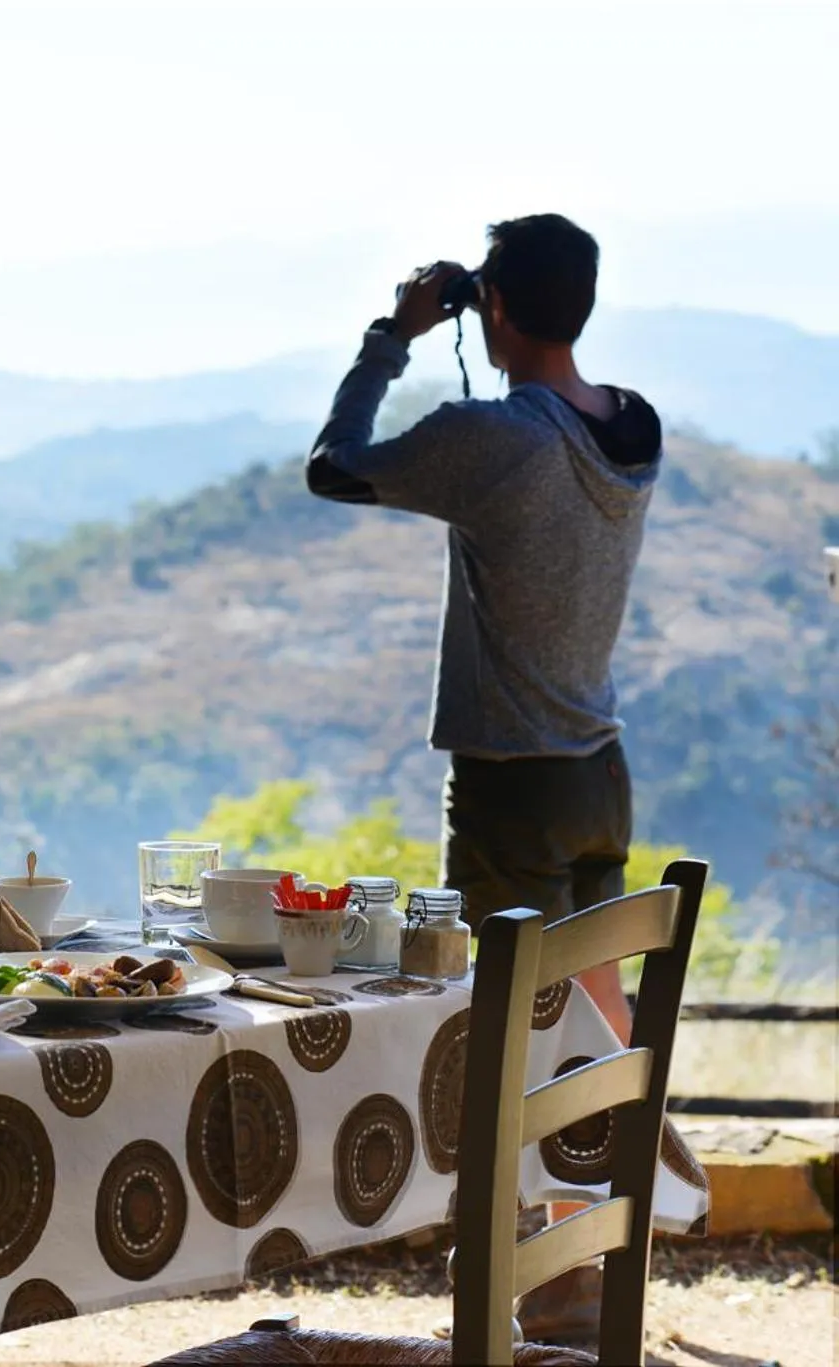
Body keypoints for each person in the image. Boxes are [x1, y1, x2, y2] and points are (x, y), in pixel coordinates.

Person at [307, 215, 661, 1344]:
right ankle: (582, 1251)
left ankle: (518, 1263)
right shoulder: (635, 429)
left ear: (494, 309)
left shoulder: (487, 436)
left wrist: (394, 332)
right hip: (596, 768)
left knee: (504, 1022)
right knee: (593, 1015)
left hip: (506, 780)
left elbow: (334, 465)